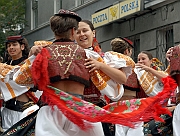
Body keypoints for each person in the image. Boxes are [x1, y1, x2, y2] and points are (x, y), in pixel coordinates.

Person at [0, 10, 177, 136]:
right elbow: (112, 92)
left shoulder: (42, 54)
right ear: (73, 32)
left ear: (53, 31)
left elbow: (20, 80)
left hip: (51, 111)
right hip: (82, 112)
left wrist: (32, 58)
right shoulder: (88, 55)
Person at [74, 20, 135, 136]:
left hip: (100, 109)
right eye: (78, 32)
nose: (81, 34)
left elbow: (122, 79)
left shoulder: (105, 57)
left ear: (93, 33)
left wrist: (100, 65)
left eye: (85, 30)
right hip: (77, 109)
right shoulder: (69, 56)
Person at [0, 35, 38, 133]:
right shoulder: (5, 65)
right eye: (8, 46)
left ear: (22, 46)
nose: (11, 48)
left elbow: (34, 85)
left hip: (24, 108)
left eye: (14, 44)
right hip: (7, 108)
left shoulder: (29, 63)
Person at [110, 37, 144, 136]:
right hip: (132, 107)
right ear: (127, 51)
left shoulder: (108, 66)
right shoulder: (134, 68)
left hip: (116, 107)